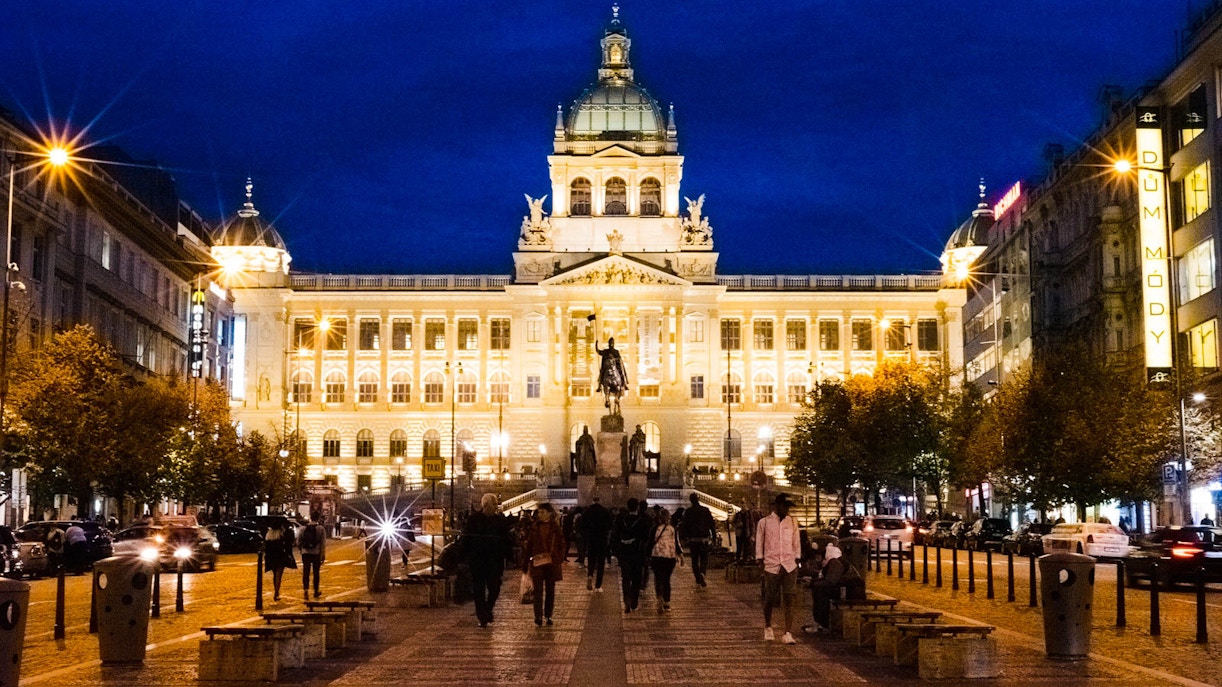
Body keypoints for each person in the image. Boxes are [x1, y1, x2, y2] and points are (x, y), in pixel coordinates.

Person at [756, 493, 801, 644]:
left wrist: (796, 559)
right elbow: (760, 541)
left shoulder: (792, 522)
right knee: (770, 597)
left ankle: (788, 632)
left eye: (789, 507)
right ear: (777, 506)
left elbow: (796, 542)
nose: (787, 510)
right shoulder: (765, 522)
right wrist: (760, 560)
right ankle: (768, 626)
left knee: (790, 597)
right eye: (785, 506)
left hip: (789, 564)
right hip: (772, 564)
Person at [463, 493, 513, 628]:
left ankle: (487, 609)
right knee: (478, 591)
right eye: (494, 504)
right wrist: (465, 557)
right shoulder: (473, 520)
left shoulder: (500, 520)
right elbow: (466, 539)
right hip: (478, 561)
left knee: (495, 589)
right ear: (485, 505)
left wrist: (509, 556)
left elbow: (507, 540)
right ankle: (482, 616)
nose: (496, 507)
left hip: (495, 562)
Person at [521, 503, 566, 627]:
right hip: (537, 563)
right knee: (538, 591)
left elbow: (562, 544)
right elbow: (529, 547)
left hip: (551, 563)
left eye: (542, 512)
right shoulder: (534, 528)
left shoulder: (555, 528)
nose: (539, 515)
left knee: (550, 591)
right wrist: (525, 564)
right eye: (539, 512)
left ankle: (548, 615)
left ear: (549, 513)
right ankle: (538, 616)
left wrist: (559, 558)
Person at [613, 497, 650, 613]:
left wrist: (616, 552)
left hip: (624, 553)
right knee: (636, 579)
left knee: (625, 578)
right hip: (637, 553)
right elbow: (646, 538)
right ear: (637, 507)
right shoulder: (641, 521)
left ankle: (626, 601)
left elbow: (615, 536)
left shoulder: (621, 520)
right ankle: (634, 602)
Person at [804, 541, 845, 634]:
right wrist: (813, 582)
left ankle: (822, 623)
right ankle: (819, 622)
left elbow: (831, 581)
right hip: (842, 588)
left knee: (820, 592)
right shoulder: (833, 562)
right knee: (819, 590)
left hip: (847, 590)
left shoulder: (834, 562)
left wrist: (812, 583)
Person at [649, 508, 682, 613]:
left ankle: (659, 597)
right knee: (667, 579)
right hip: (669, 557)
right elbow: (677, 543)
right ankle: (667, 602)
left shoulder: (654, 528)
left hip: (657, 556)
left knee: (658, 578)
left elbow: (650, 542)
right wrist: (681, 556)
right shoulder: (672, 529)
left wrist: (647, 555)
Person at [680, 492, 715, 587]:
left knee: (694, 561)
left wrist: (683, 537)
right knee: (704, 559)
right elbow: (712, 524)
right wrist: (714, 537)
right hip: (704, 539)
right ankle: (702, 573)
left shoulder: (688, 512)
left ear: (691, 501)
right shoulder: (705, 510)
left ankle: (698, 579)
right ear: (698, 499)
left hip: (693, 540)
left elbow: (685, 525)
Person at [582, 496, 613, 592]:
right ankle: (598, 586)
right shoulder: (605, 511)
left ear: (592, 501)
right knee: (600, 563)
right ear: (600, 501)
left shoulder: (587, 511)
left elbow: (582, 525)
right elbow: (610, 525)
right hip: (601, 539)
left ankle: (590, 575)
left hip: (591, 539)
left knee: (591, 560)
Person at [263, 520, 297, 601]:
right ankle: (276, 592)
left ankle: (276, 591)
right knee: (279, 575)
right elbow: (288, 545)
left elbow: (266, 548)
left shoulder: (269, 535)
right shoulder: (281, 535)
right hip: (280, 557)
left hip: (271, 557)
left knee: (275, 575)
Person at [594, 337, 629, 415]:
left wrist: (615, 359)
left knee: (621, 372)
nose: (611, 344)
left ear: (614, 343)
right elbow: (598, 351)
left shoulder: (616, 351)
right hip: (607, 367)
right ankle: (599, 386)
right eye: (610, 342)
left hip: (615, 366)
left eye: (612, 342)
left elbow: (619, 359)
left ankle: (624, 384)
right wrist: (596, 344)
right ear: (609, 343)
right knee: (602, 373)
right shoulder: (606, 351)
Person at [299, 511, 327, 599]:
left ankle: (305, 590)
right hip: (316, 552)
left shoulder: (303, 528)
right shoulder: (321, 528)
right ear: (318, 518)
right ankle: (315, 591)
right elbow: (323, 543)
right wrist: (323, 554)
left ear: (310, 517)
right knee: (316, 573)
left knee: (306, 572)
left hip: (305, 553)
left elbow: (298, 541)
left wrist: (301, 550)